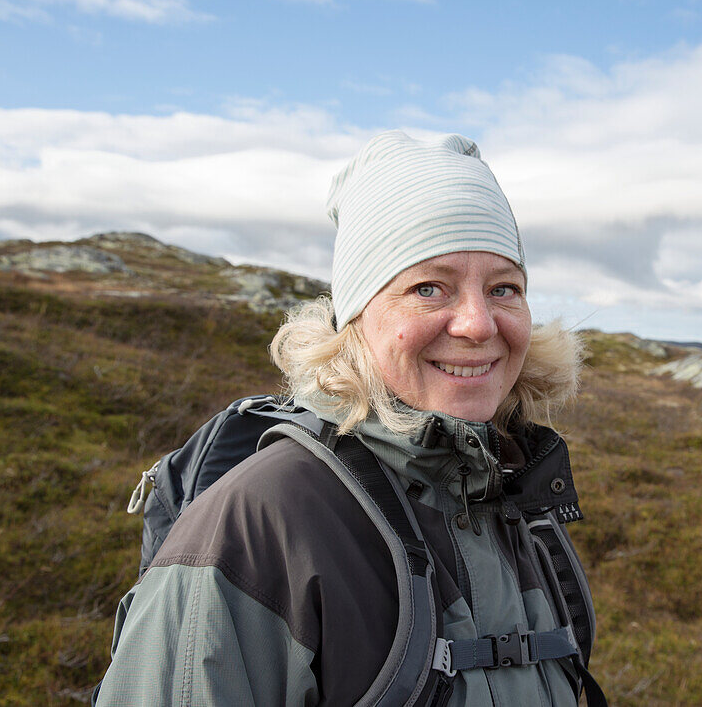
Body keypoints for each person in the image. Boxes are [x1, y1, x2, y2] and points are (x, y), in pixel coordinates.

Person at [95, 131, 596, 705]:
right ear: (356, 318)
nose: (478, 325)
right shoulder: (260, 524)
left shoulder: (511, 494)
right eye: (429, 288)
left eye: (503, 288)